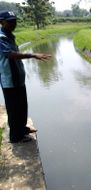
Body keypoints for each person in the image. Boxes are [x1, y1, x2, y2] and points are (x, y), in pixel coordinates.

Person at [0, 11, 51, 143]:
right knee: (13, 109)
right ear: (1, 22)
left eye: (14, 21)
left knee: (22, 106)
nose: (13, 24)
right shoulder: (1, 37)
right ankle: (15, 137)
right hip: (9, 79)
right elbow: (11, 55)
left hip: (18, 77)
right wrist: (33, 55)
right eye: (10, 21)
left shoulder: (9, 35)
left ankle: (22, 129)